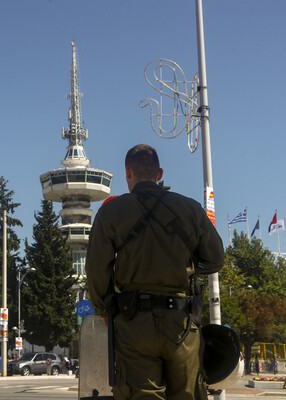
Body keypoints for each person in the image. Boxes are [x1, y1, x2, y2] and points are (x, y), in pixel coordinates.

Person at [86, 144, 225, 400]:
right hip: (182, 325)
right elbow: (216, 259)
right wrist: (187, 268)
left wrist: (104, 310)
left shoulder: (111, 212)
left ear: (128, 172)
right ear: (159, 173)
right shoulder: (191, 209)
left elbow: (96, 270)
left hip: (133, 325)